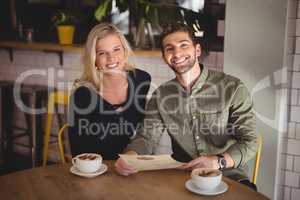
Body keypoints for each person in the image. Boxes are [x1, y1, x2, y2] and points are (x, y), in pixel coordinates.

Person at [115, 22, 258, 189]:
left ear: (197, 50)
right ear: (164, 57)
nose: (177, 53)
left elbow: (250, 141)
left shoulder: (233, 88)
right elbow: (146, 137)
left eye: (184, 45)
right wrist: (129, 158)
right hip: (183, 178)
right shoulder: (161, 95)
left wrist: (216, 162)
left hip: (229, 176)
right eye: (169, 48)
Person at [68, 23, 151, 160]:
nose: (111, 58)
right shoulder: (82, 96)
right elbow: (78, 152)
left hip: (133, 164)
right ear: (94, 60)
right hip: (98, 170)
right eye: (102, 53)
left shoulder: (141, 80)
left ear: (125, 51)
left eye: (116, 49)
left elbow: (142, 130)